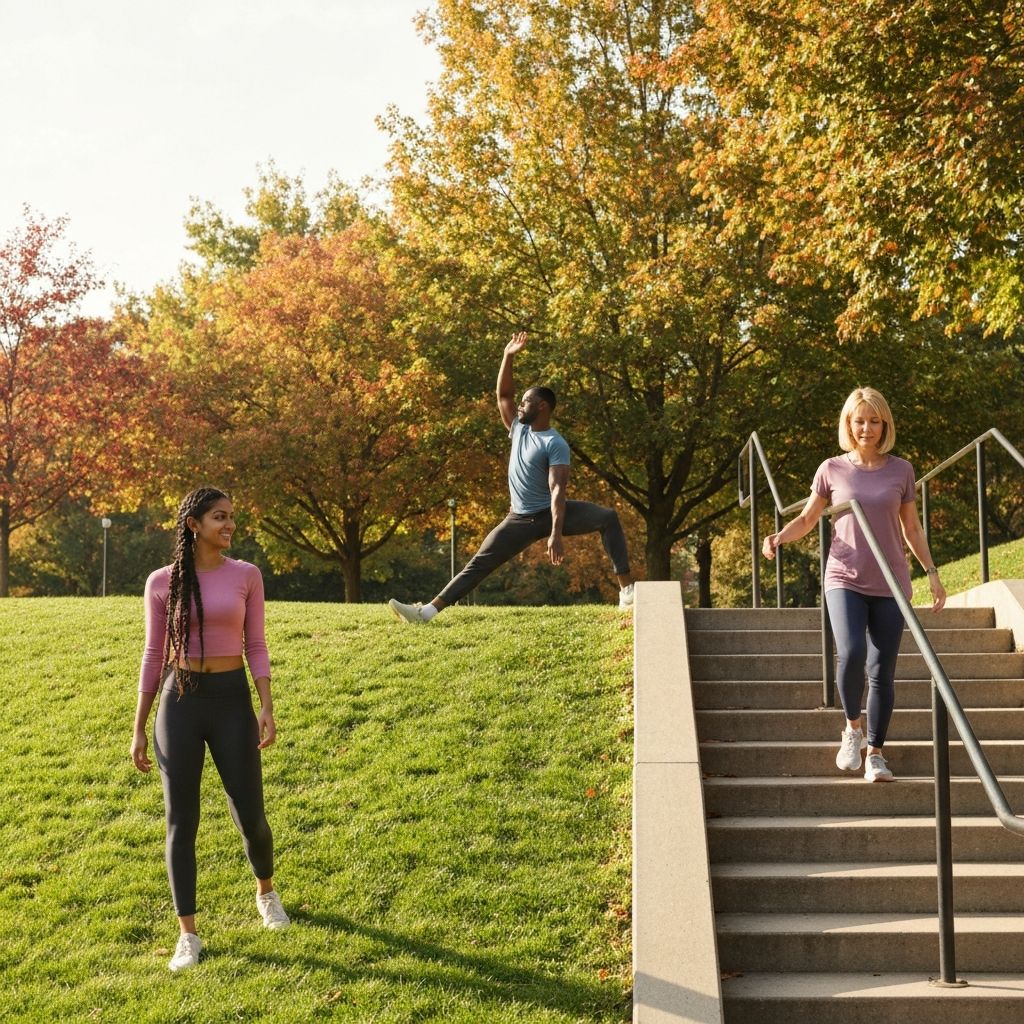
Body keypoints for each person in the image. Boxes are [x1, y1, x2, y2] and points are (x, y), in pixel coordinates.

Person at [131, 487, 289, 973]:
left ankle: (266, 893)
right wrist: (139, 726)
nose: (230, 525)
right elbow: (153, 655)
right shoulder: (162, 582)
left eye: (232, 517)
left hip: (231, 700)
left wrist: (266, 704)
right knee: (181, 822)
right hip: (179, 702)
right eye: (220, 517)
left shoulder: (247, 575)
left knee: (251, 815)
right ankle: (188, 935)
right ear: (193, 524)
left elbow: (255, 643)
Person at [762, 388, 946, 783]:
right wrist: (778, 537)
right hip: (844, 577)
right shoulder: (831, 469)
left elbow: (912, 528)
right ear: (849, 424)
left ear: (885, 425)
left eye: (874, 421)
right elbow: (808, 518)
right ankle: (852, 730)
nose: (867, 428)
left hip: (891, 582)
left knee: (881, 671)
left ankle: (875, 754)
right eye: (859, 421)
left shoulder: (902, 470)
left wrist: (931, 572)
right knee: (851, 652)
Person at [388, 332, 635, 622]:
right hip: (519, 519)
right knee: (480, 563)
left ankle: (627, 591)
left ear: (542, 407)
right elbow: (503, 395)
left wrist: (556, 534)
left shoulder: (554, 443)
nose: (519, 405)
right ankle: (426, 613)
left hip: (549, 513)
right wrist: (508, 356)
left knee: (608, 517)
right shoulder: (518, 429)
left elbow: (558, 490)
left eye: (526, 401)